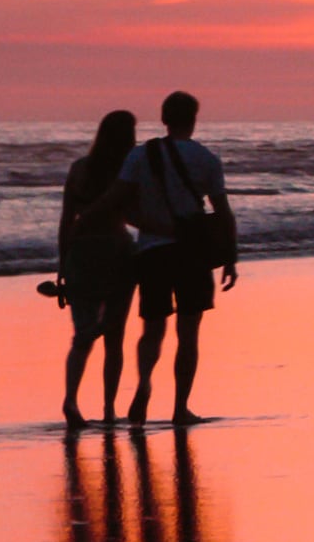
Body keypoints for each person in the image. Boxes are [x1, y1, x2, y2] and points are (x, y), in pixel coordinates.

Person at [119, 90, 237, 422]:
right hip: (193, 252)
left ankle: (143, 385)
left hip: (153, 250)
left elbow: (124, 204)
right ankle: (179, 407)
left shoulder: (140, 156)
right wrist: (230, 258)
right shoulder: (207, 159)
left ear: (164, 119)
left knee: (152, 329)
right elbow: (224, 212)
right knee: (188, 332)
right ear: (194, 119)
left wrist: (147, 222)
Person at [52, 107, 142, 428]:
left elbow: (66, 221)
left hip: (81, 254)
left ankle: (71, 400)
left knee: (82, 336)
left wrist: (62, 265)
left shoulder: (79, 169)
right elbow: (133, 216)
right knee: (114, 338)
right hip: (116, 253)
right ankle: (108, 408)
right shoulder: (125, 173)